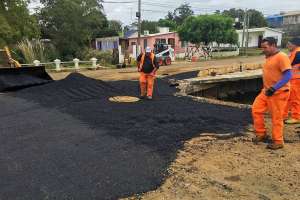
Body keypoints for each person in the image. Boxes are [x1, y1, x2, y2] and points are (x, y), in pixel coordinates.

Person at [252, 37, 292, 150]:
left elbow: (288, 75)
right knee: (256, 109)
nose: (263, 50)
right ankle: (261, 133)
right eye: (262, 47)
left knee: (276, 117)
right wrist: (268, 88)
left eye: (265, 47)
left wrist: (274, 88)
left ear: (273, 45)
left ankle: (278, 141)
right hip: (266, 91)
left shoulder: (282, 57)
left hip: (278, 92)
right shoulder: (269, 57)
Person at [283, 38, 300, 124]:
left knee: (295, 98)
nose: (287, 46)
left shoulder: (297, 53)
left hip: (296, 80)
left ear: (295, 44)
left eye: (289, 44)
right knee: (289, 98)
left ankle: (297, 117)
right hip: (293, 79)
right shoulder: (296, 52)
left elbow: (288, 65)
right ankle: (284, 114)